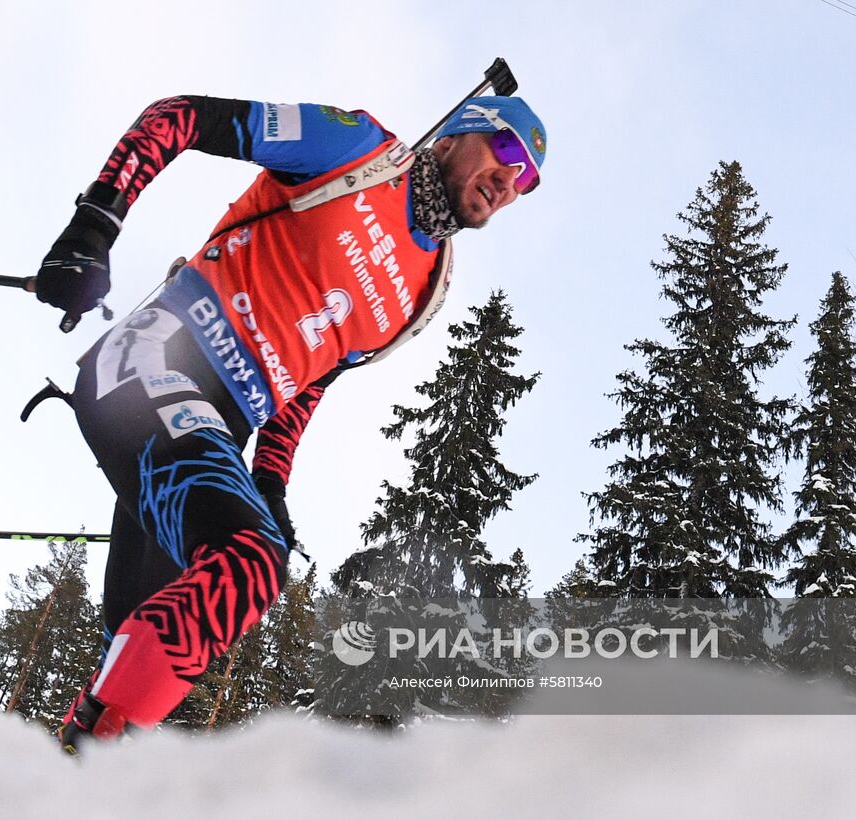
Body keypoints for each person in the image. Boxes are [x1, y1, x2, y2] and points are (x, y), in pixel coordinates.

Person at [32, 93, 547, 750]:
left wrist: (271, 482)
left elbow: (314, 376)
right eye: (505, 149)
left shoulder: (428, 289)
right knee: (248, 562)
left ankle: (70, 770)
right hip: (154, 358)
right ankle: (96, 749)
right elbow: (181, 116)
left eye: (526, 180)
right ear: (453, 135)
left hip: (213, 431)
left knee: (137, 648)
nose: (510, 180)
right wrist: (95, 225)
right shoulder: (357, 150)